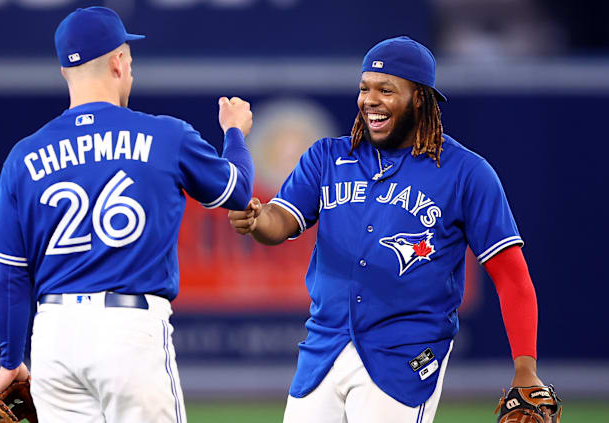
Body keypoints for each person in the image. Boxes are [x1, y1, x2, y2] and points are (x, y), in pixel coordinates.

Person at [228, 36, 551, 423]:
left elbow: (512, 277)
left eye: (386, 89)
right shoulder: (328, 156)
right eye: (364, 88)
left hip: (406, 355)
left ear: (419, 98)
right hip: (324, 347)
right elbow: (278, 222)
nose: (370, 100)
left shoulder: (467, 173)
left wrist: (525, 367)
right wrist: (256, 218)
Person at [0, 6, 254, 422]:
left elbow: (9, 277)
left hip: (54, 338)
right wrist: (234, 132)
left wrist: (9, 361)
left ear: (64, 73)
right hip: (129, 332)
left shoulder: (23, 157)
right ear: (118, 61)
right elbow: (237, 191)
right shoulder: (165, 134)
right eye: (129, 59)